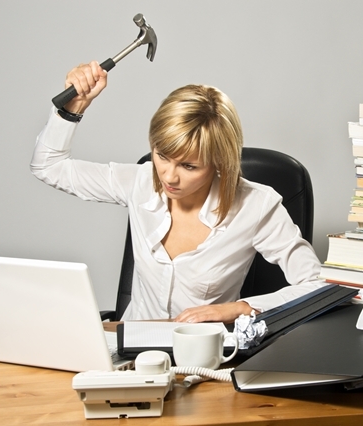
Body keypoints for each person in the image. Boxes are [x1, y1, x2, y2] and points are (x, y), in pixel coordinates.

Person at [31, 61, 326, 323]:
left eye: (188, 166)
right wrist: (73, 108)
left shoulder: (257, 205)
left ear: (219, 162)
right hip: (130, 351)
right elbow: (48, 167)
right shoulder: (139, 181)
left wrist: (239, 308)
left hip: (203, 360)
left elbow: (317, 286)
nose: (168, 176)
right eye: (161, 155)